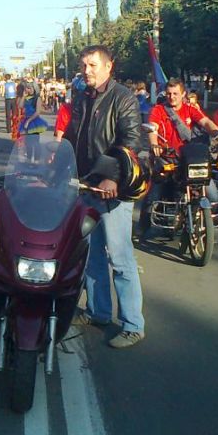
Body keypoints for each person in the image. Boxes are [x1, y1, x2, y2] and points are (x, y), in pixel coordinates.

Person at [63, 45, 145, 349]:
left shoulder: (123, 97)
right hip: (86, 186)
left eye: (93, 65)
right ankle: (98, 312)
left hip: (112, 189)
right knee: (92, 254)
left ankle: (133, 325)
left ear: (109, 66)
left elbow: (131, 141)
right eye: (84, 65)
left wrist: (113, 176)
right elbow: (73, 136)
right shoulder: (82, 96)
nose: (87, 70)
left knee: (120, 258)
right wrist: (57, 163)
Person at [138, 78, 218, 238]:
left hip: (190, 158)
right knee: (154, 195)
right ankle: (143, 226)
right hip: (166, 157)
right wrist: (154, 144)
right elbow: (153, 128)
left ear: (183, 94)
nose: (172, 97)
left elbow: (206, 122)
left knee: (213, 194)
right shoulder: (158, 110)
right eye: (169, 94)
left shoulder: (190, 109)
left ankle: (204, 221)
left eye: (175, 94)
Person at [16, 82, 48, 160]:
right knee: (28, 143)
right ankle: (29, 159)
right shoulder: (26, 97)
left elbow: (37, 112)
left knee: (35, 142)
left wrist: (29, 121)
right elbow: (20, 106)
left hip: (34, 121)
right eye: (27, 88)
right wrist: (23, 96)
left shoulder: (37, 98)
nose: (28, 90)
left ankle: (36, 160)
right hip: (26, 120)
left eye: (30, 88)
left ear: (34, 88)